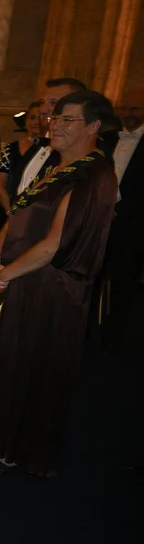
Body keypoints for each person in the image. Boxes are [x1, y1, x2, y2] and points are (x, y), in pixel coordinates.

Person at [0, 91, 118, 477]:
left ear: (93, 127)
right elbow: (18, 212)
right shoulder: (53, 167)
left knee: (36, 368)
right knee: (12, 361)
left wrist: (4, 273)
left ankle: (23, 448)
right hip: (22, 281)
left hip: (52, 291)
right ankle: (1, 440)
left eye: (66, 120)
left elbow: (55, 244)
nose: (54, 125)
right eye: (54, 119)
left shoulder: (95, 176)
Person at [102, 88, 144, 354]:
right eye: (124, 108)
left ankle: (114, 336)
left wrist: (123, 210)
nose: (127, 114)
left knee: (123, 280)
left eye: (134, 109)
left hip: (132, 224)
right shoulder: (106, 139)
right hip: (98, 220)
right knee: (89, 274)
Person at [11, 78, 88, 199]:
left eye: (53, 102)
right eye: (42, 102)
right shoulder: (40, 143)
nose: (42, 109)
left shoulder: (78, 150)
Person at [0, 100, 43, 233]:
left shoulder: (51, 150)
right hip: (9, 211)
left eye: (41, 117)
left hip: (38, 214)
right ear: (26, 121)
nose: (36, 121)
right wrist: (11, 211)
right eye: (32, 117)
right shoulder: (9, 149)